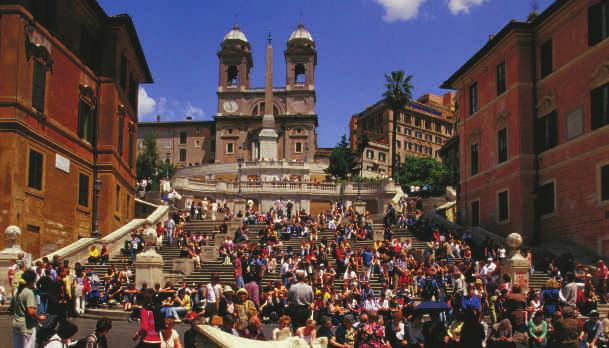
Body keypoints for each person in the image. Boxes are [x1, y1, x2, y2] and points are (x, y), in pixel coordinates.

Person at [12, 269, 44, 348]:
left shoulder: (17, 291)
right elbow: (31, 311)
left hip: (16, 324)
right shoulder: (29, 293)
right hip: (26, 325)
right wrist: (39, 317)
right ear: (32, 281)